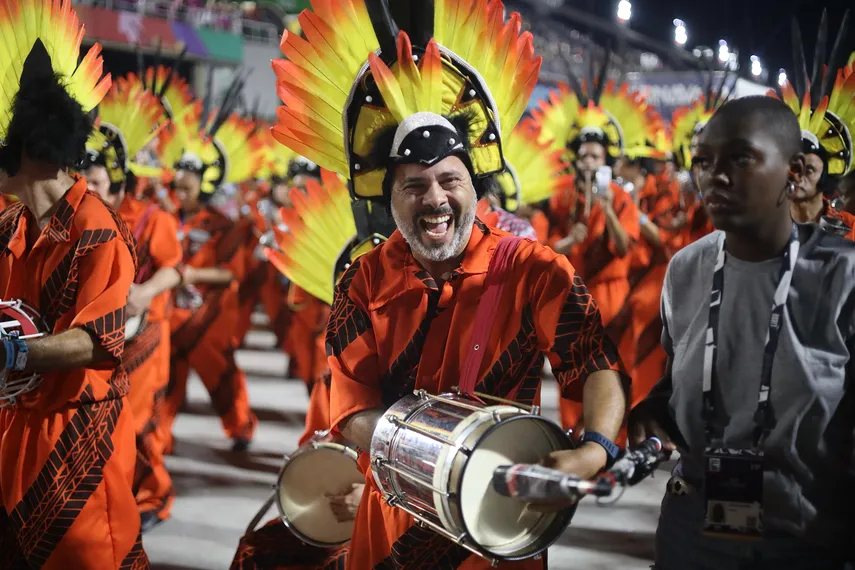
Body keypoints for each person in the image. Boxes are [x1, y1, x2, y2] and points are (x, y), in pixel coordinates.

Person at [272, 1, 628, 568]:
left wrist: (593, 450)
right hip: (392, 520)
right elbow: (352, 409)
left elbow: (593, 363)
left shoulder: (535, 271)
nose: (435, 199)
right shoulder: (361, 282)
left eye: (449, 180)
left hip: (498, 518)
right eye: (413, 185)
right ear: (389, 198)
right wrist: (439, 457)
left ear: (475, 185)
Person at [630, 95, 855, 570]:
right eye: (704, 162)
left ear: (794, 170)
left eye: (741, 158)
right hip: (690, 530)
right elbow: (681, 376)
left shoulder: (842, 278)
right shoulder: (687, 268)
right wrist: (654, 409)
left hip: (804, 540)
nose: (716, 177)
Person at [0, 2, 148, 567]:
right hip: (14, 429)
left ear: (28, 144)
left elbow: (98, 340)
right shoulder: (11, 225)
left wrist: (9, 351)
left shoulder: (97, 230)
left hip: (74, 446)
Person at [231, 170, 384, 570]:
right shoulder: (334, 379)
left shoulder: (438, 372)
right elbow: (314, 451)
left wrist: (370, 498)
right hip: (348, 514)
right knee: (258, 552)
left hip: (405, 522)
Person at [81, 75, 183, 531]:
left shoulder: (151, 217)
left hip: (145, 337)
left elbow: (174, 267)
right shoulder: (82, 217)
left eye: (97, 179)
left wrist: (143, 293)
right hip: (102, 338)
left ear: (118, 178)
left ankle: (153, 497)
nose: (88, 186)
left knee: (140, 425)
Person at [530, 76, 658, 431]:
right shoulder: (562, 197)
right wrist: (570, 241)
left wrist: (610, 209)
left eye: (596, 155)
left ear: (607, 160)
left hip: (611, 297)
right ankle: (574, 437)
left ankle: (607, 441)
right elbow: (546, 249)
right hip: (573, 294)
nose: (588, 160)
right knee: (572, 370)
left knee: (609, 372)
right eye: (584, 154)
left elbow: (623, 246)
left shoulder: (619, 197)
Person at [160, 92, 263, 453]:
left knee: (222, 380)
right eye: (177, 187)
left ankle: (240, 428)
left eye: (187, 188)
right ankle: (159, 441)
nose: (180, 193)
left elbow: (231, 275)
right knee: (166, 381)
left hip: (210, 318)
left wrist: (189, 275)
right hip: (171, 317)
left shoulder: (223, 225)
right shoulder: (165, 216)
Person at [769, 15, 855, 240]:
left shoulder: (849, 232)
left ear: (825, 177)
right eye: (794, 168)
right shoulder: (763, 233)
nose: (798, 177)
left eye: (810, 170)